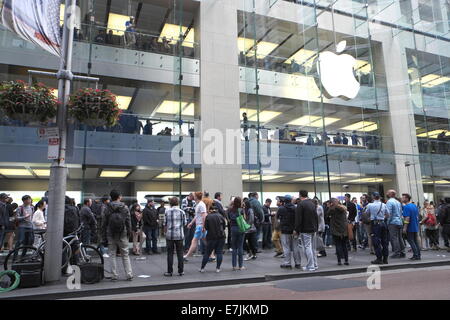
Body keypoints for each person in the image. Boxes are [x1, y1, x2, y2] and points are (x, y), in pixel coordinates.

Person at [102, 190, 133, 281]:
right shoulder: (125, 207)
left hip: (110, 233)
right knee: (125, 254)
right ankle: (129, 274)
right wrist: (129, 232)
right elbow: (128, 221)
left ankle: (114, 275)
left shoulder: (107, 208)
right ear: (119, 197)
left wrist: (103, 236)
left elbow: (104, 223)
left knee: (112, 254)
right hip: (122, 233)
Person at [295, 190, 318, 271]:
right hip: (313, 228)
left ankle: (310, 266)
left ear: (300, 195)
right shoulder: (312, 203)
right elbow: (316, 217)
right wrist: (316, 228)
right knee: (313, 248)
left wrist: (297, 230)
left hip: (305, 229)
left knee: (307, 247)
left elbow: (298, 219)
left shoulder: (301, 204)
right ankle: (315, 264)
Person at [200, 202, 227, 273]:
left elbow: (206, 227)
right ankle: (218, 268)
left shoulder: (208, 217)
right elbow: (224, 227)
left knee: (207, 253)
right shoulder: (221, 216)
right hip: (221, 237)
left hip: (211, 237)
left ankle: (202, 268)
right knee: (219, 252)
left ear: (210, 210)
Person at [164, 197, 187, 276]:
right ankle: (181, 271)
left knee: (170, 253)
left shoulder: (167, 211)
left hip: (169, 235)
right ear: (178, 203)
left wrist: (165, 232)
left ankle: (169, 271)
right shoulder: (182, 212)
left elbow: (165, 223)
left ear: (170, 203)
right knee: (180, 253)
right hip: (179, 235)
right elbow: (185, 223)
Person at [277, 195, 301, 269]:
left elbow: (278, 217)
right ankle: (298, 263)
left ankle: (287, 263)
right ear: (291, 200)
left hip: (285, 230)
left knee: (286, 247)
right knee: (295, 247)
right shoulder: (296, 208)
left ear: (284, 201)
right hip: (294, 230)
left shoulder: (281, 208)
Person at [367, 192, 389, 265]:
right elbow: (388, 214)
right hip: (383, 223)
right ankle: (385, 259)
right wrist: (382, 218)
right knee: (384, 242)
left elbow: (366, 214)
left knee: (376, 242)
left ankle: (379, 258)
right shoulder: (384, 205)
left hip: (375, 224)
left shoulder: (370, 205)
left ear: (373, 197)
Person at [184, 192, 207, 261]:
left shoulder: (201, 205)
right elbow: (197, 216)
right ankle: (212, 256)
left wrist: (203, 226)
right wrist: (191, 223)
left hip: (200, 226)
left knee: (194, 241)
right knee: (206, 241)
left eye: (194, 195)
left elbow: (204, 216)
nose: (193, 196)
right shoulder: (198, 204)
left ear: (196, 197)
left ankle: (186, 256)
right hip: (200, 226)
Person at [327, 198, 349, 265]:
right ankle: (346, 260)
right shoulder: (344, 208)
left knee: (338, 245)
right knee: (344, 245)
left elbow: (327, 214)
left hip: (336, 230)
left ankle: (339, 261)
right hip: (344, 229)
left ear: (332, 203)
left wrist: (330, 206)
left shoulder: (332, 209)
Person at [227, 197, 246, 271]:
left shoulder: (230, 210)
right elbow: (244, 218)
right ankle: (241, 266)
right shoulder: (241, 210)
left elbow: (228, 218)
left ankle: (234, 266)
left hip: (233, 229)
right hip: (241, 229)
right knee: (240, 247)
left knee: (234, 247)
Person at [386, 190, 405, 258]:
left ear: (391, 194)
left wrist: (387, 222)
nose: (386, 193)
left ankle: (397, 252)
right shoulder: (398, 202)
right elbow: (400, 212)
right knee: (400, 237)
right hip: (399, 221)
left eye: (387, 193)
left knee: (394, 238)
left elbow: (389, 214)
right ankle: (402, 252)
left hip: (393, 222)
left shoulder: (389, 202)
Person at [402, 193, 421, 260]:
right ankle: (418, 255)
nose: (402, 199)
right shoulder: (414, 205)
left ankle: (415, 255)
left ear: (407, 198)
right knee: (415, 241)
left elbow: (407, 218)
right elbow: (417, 216)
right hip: (415, 226)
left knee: (411, 241)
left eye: (403, 197)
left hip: (410, 227)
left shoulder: (406, 207)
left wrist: (405, 227)